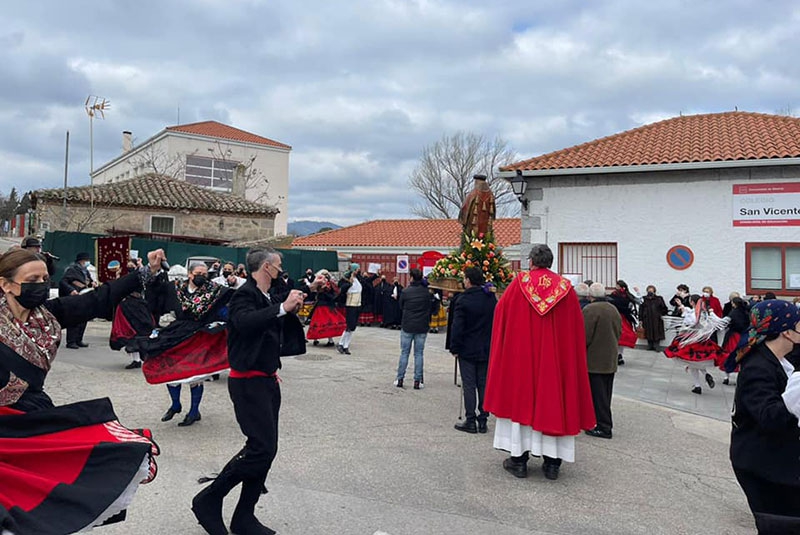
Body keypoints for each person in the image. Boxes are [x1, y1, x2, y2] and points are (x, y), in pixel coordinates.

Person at [0, 248, 163, 534]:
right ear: (6, 284)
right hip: (4, 430)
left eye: (44, 278)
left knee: (49, 500)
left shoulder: (49, 316)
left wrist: (145, 272)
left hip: (34, 417)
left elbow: (101, 297)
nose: (41, 284)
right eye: (32, 279)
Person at [191, 247, 306, 535]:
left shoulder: (267, 294)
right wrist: (282, 309)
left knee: (267, 450)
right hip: (247, 383)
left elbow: (280, 301)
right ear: (267, 267)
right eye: (278, 265)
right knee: (260, 448)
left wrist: (302, 292)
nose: (282, 270)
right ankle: (209, 498)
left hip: (267, 380)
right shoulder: (244, 294)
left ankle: (244, 517)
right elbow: (243, 322)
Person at [484, 244, 595, 481]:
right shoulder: (566, 289)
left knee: (521, 402)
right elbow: (576, 331)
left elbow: (501, 316)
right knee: (554, 400)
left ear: (532, 261)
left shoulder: (519, 284)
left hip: (523, 360)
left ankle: (519, 460)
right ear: (551, 263)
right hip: (556, 364)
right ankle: (553, 464)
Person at [730, 300, 800, 532]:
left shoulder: (781, 359)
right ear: (787, 332)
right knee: (781, 526)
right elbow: (770, 417)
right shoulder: (758, 367)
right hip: (764, 468)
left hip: (780, 460)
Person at [140, 261, 233, 427]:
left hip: (199, 336)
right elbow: (154, 293)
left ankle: (194, 411)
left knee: (194, 375)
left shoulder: (215, 291)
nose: (202, 277)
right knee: (167, 367)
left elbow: (227, 308)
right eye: (198, 273)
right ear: (190, 274)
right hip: (177, 331)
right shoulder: (176, 288)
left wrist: (222, 325)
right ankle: (175, 405)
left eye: (205, 274)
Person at [449, 266, 497, 433]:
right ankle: (483, 419)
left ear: (468, 280)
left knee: (469, 384)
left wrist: (454, 347)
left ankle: (470, 419)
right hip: (486, 347)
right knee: (483, 383)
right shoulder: (490, 298)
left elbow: (458, 327)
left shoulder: (463, 300)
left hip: (467, 348)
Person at [663, 294, 728, 394]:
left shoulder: (696, 314)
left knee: (692, 362)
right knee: (695, 362)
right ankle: (702, 379)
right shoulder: (703, 313)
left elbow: (690, 321)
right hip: (701, 340)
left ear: (692, 302)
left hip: (692, 340)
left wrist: (684, 314)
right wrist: (683, 308)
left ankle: (698, 384)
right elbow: (691, 312)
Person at [582, 282, 622, 439]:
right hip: (610, 357)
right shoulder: (613, 309)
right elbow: (619, 330)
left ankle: (603, 426)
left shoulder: (590, 310)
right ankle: (602, 422)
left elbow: (584, 335)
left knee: (597, 395)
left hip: (594, 358)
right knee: (606, 393)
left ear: (590, 296)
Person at [393, 268, 435, 390]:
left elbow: (401, 306)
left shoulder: (406, 292)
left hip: (407, 325)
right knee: (419, 353)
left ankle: (400, 378)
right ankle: (417, 380)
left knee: (404, 352)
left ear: (411, 277)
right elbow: (431, 308)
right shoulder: (427, 293)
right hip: (422, 326)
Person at [59, 252, 97, 349]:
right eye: (86, 260)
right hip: (74, 297)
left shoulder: (85, 271)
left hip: (83, 296)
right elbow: (63, 282)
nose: (88, 262)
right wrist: (71, 290)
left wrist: (93, 283)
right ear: (82, 261)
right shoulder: (72, 270)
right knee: (74, 320)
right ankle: (71, 341)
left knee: (83, 319)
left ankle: (79, 339)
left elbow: (88, 281)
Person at [306, 269, 345, 347]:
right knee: (319, 322)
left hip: (326, 306)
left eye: (326, 276)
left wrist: (324, 290)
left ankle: (328, 340)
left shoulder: (330, 285)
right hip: (321, 306)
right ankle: (316, 339)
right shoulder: (321, 285)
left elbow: (334, 295)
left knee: (325, 323)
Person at [609, 280, 641, 365]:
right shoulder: (614, 295)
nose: (616, 287)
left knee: (623, 336)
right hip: (617, 316)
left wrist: (638, 292)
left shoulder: (627, 295)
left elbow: (639, 301)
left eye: (618, 285)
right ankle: (616, 355)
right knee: (617, 337)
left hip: (624, 318)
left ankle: (619, 355)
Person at [720, 297, 749, 385]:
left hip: (733, 336)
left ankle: (726, 376)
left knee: (728, 354)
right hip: (743, 336)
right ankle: (738, 377)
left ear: (734, 304)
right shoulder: (745, 312)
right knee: (741, 355)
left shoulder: (733, 313)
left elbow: (725, 322)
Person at [337, 263, 362, 354]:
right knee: (349, 326)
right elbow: (341, 290)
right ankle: (340, 343)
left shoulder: (358, 279)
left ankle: (346, 345)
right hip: (350, 305)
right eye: (357, 270)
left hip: (357, 305)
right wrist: (349, 283)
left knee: (353, 327)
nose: (358, 271)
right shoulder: (346, 280)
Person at [639, 285, 668, 351]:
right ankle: (650, 345)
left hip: (656, 318)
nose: (650, 292)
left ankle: (656, 346)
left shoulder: (659, 299)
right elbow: (641, 309)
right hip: (647, 318)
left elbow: (664, 308)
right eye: (649, 291)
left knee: (657, 331)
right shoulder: (644, 299)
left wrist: (661, 314)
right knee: (648, 331)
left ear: (654, 291)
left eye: (651, 291)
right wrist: (640, 319)